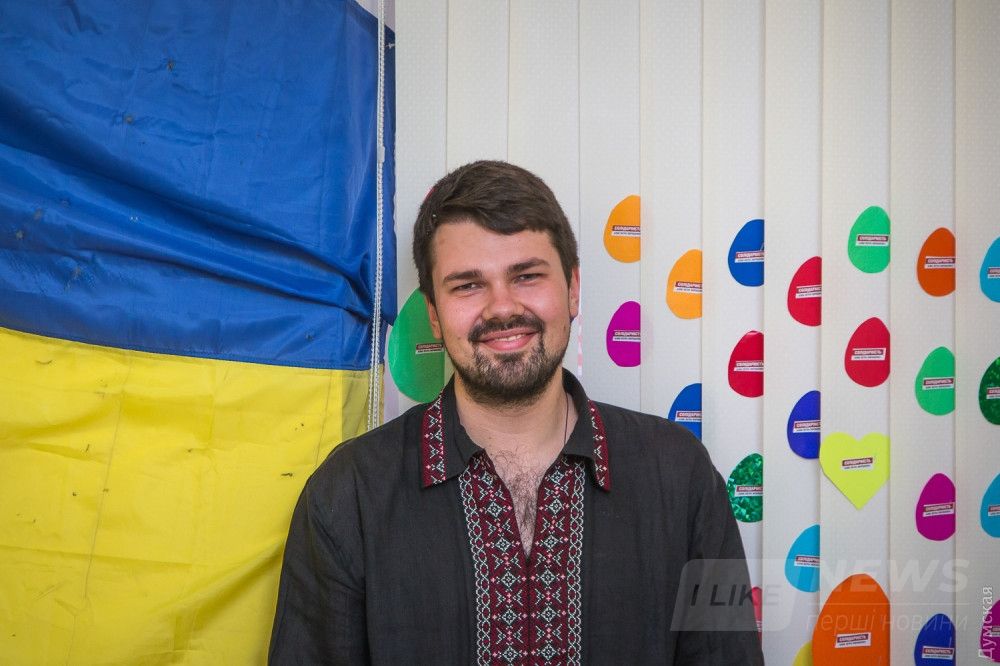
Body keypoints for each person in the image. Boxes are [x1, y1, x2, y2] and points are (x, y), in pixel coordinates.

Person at [269, 161, 763, 664]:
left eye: (526, 276)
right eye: (467, 285)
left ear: (572, 288)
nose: (502, 308)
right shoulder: (349, 494)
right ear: (434, 315)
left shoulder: (681, 475)